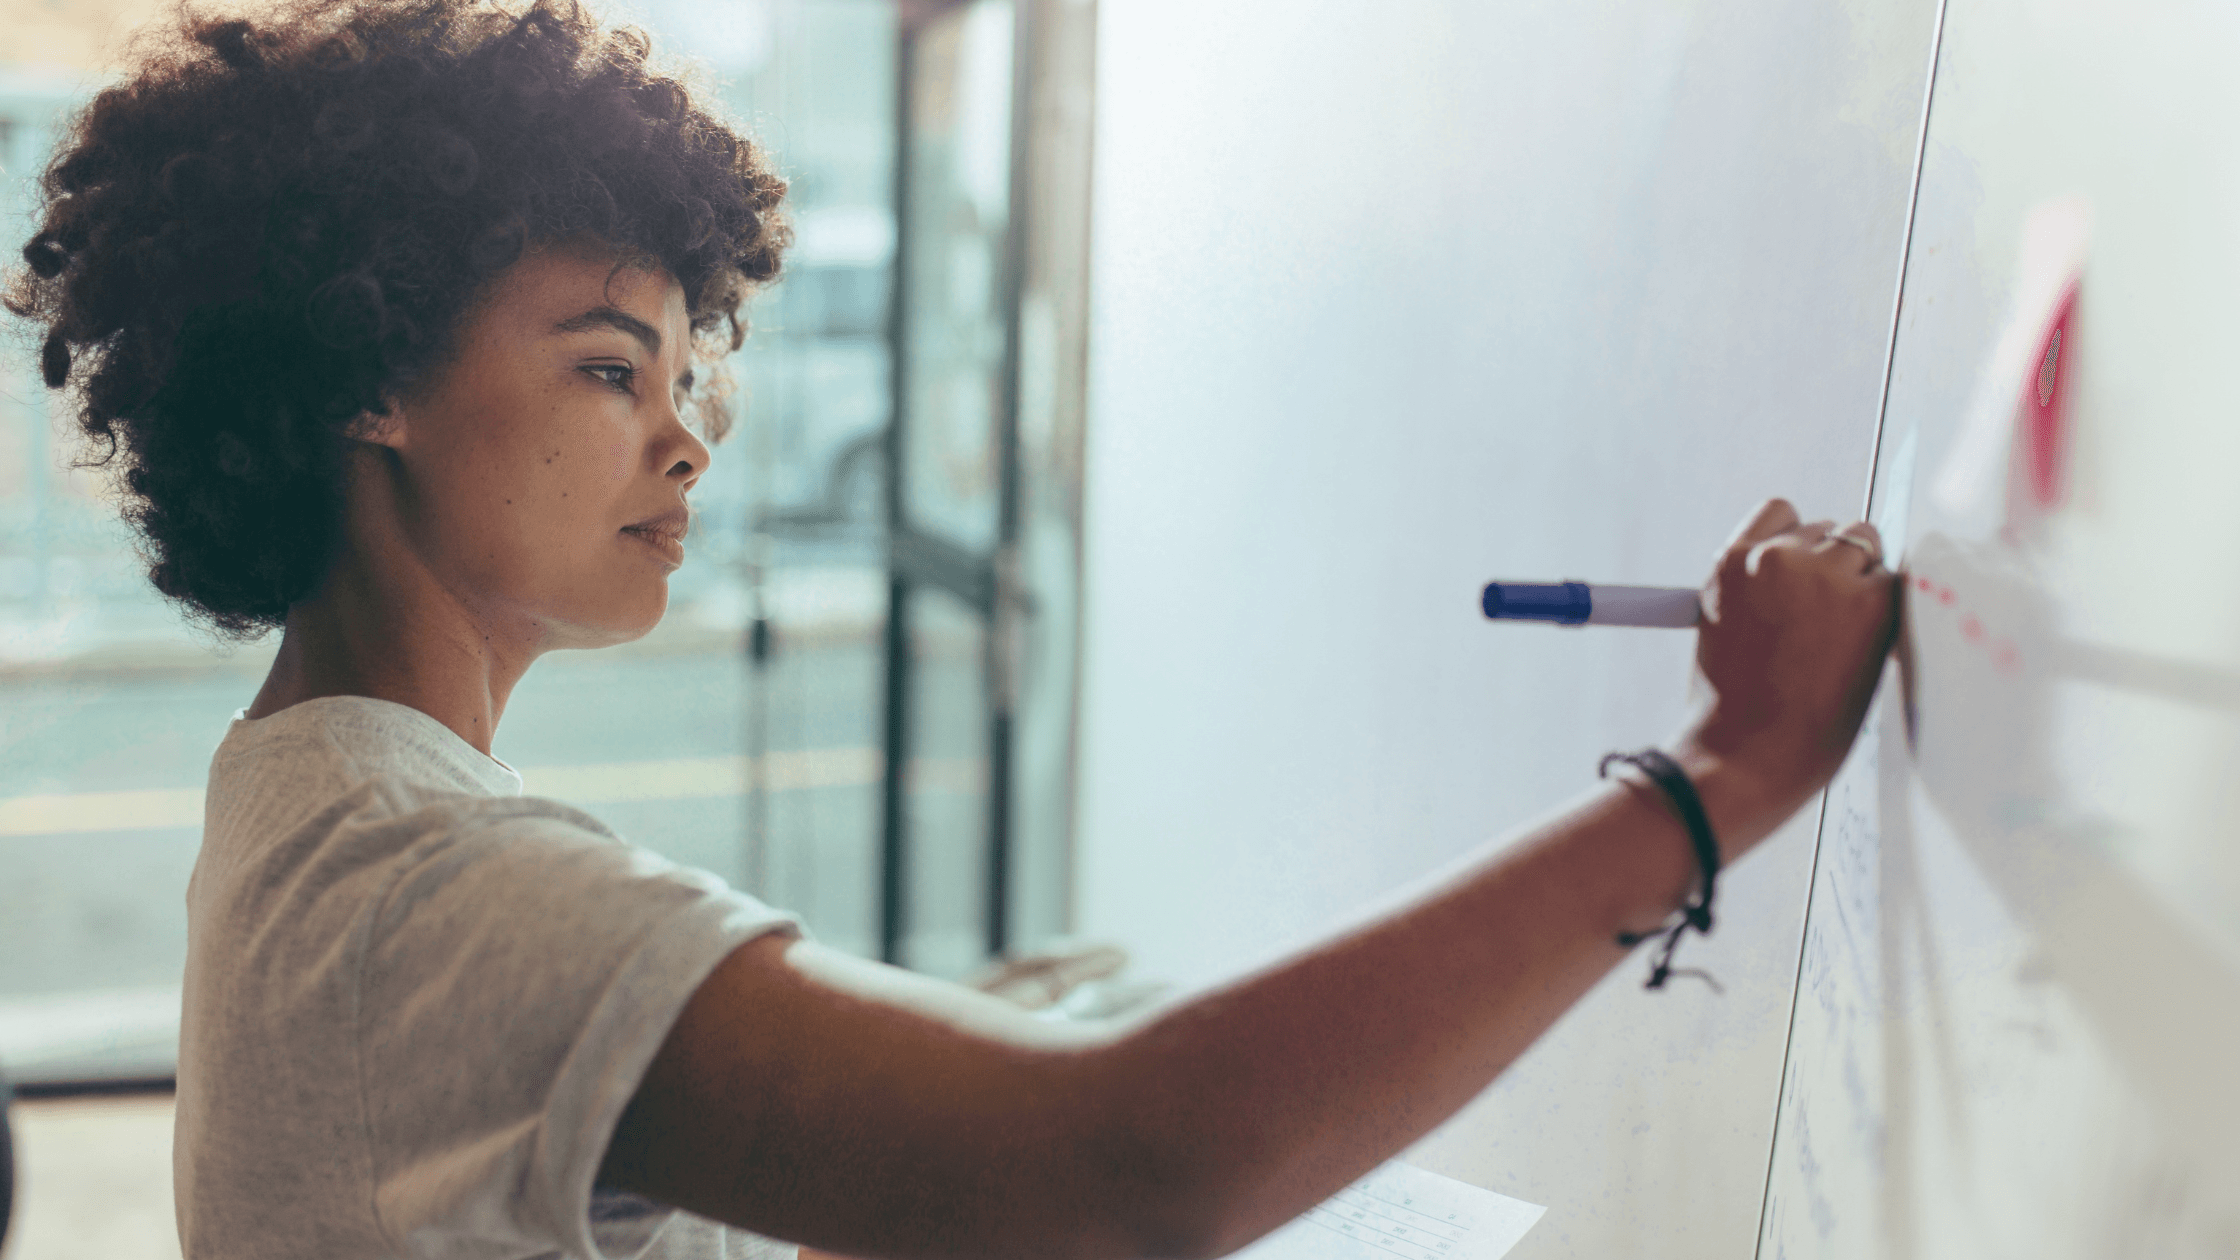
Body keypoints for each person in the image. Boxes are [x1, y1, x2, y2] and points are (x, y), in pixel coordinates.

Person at [4, 0, 1899, 1256]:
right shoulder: (424, 886)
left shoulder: (307, 809)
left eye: (687, 372)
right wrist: (1726, 778)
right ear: (367, 380)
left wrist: (914, 1084)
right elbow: (1138, 1166)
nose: (687, 433)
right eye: (606, 366)